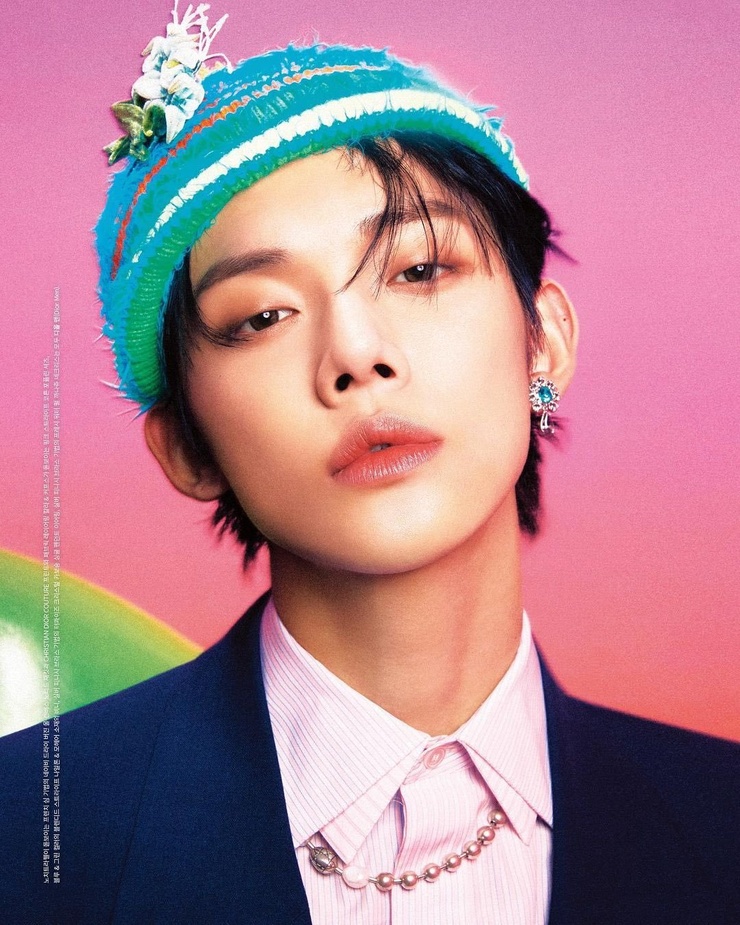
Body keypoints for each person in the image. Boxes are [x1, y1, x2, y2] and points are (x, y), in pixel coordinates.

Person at [1, 5, 738, 923]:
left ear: (543, 339)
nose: (356, 353)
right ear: (187, 446)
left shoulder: (720, 823)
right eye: (262, 316)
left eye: (420, 270)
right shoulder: (25, 836)